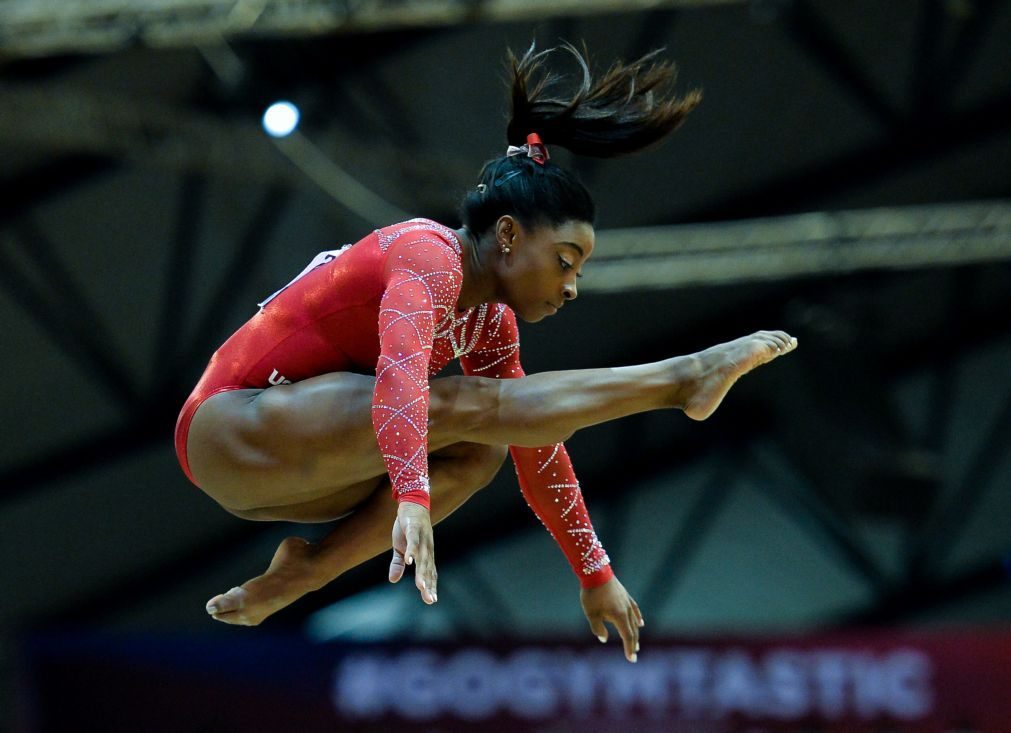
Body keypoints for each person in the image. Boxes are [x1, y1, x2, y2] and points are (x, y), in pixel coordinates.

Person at [174, 42, 797, 664]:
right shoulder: (427, 254)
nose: (571, 287)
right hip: (229, 426)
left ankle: (303, 575)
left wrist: (594, 572)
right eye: (563, 262)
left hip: (291, 473)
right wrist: (413, 498)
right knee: (462, 405)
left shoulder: (489, 320)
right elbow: (401, 372)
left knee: (485, 447)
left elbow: (536, 444)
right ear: (507, 235)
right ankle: (682, 377)